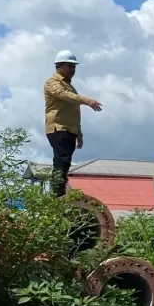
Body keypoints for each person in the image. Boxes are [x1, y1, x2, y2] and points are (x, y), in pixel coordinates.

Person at [44, 50, 102, 197]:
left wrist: (79, 134)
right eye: (69, 66)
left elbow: (73, 112)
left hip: (69, 130)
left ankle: (59, 191)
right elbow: (65, 95)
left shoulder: (69, 86)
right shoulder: (52, 83)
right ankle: (57, 194)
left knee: (65, 162)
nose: (72, 69)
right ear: (58, 66)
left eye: (74, 67)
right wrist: (88, 101)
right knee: (61, 160)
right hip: (58, 128)